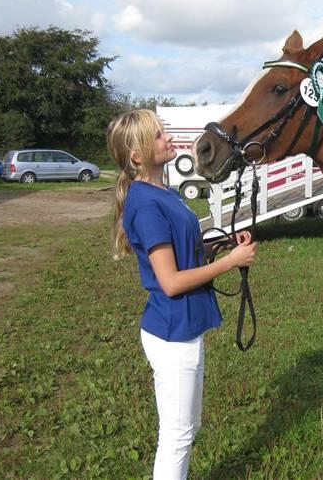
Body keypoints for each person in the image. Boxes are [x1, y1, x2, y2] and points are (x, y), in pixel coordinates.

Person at [106, 109, 256, 479]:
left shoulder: (162, 192)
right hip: (172, 333)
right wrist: (230, 262)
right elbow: (170, 281)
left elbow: (182, 252)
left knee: (187, 429)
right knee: (177, 435)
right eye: (158, 135)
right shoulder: (145, 204)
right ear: (137, 155)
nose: (167, 138)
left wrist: (219, 246)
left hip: (183, 327)